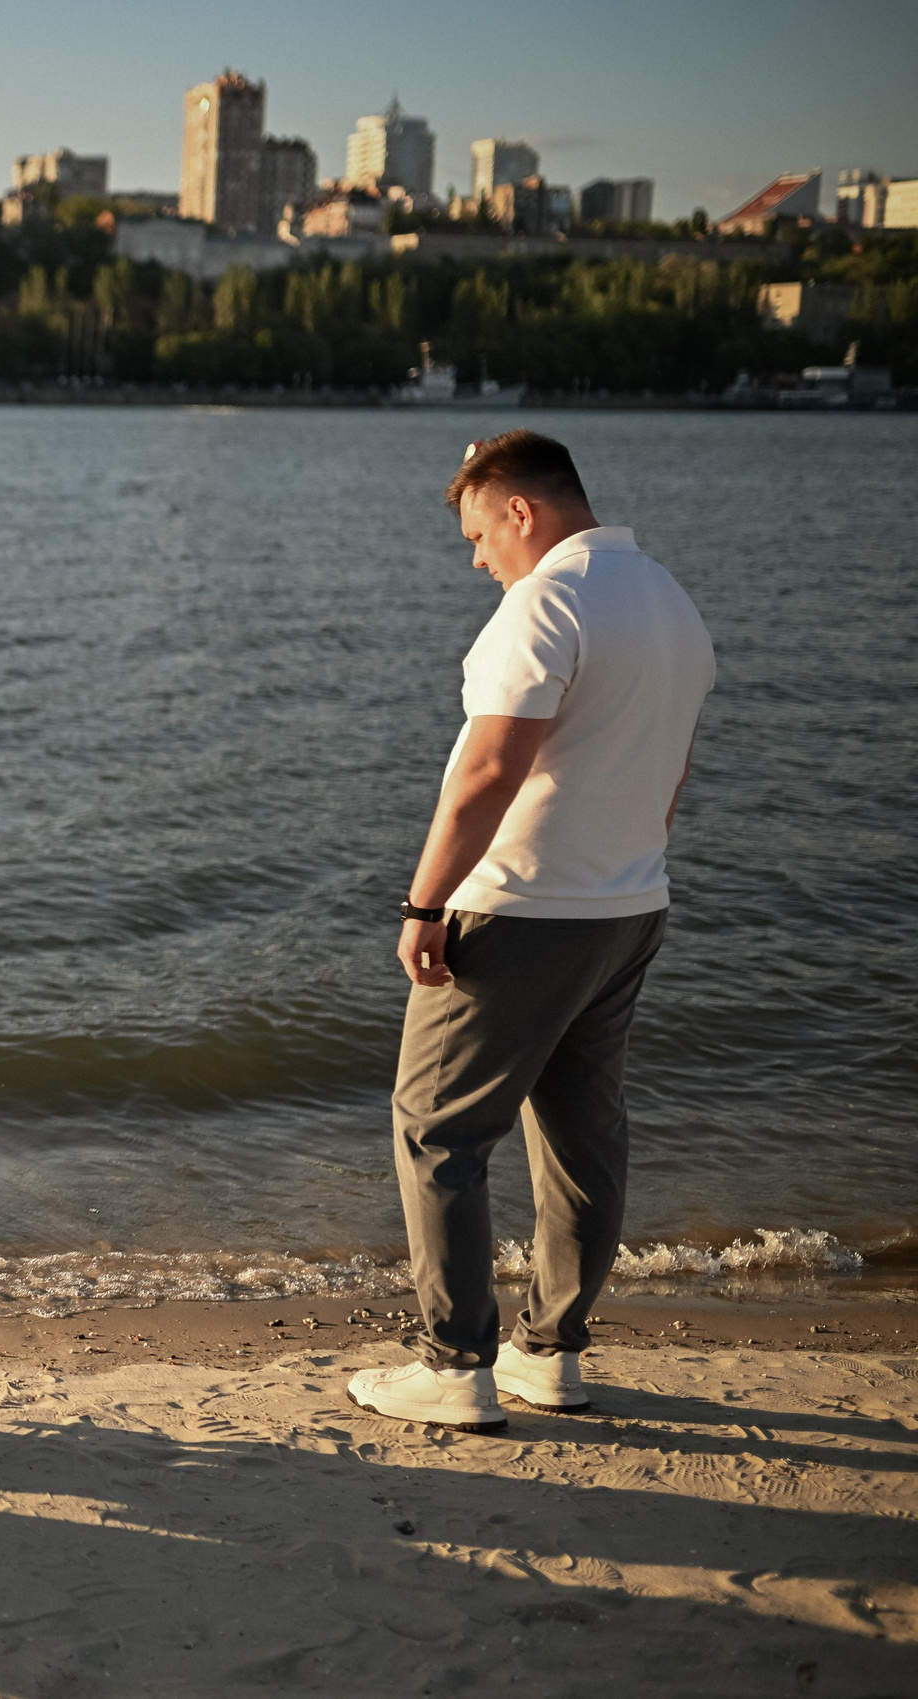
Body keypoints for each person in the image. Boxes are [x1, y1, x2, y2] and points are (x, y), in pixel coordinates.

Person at [351, 431, 714, 1434]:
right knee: (581, 1137)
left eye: (477, 533)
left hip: (520, 909)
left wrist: (425, 904)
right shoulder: (670, 604)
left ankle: (454, 1366)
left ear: (522, 510)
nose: (476, 559)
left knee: (436, 1128)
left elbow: (486, 774)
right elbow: (671, 779)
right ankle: (549, 1355)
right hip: (628, 906)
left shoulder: (547, 602)